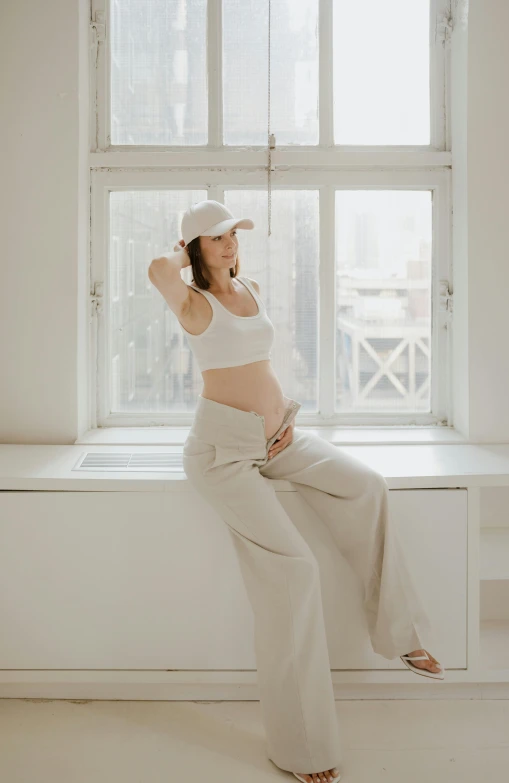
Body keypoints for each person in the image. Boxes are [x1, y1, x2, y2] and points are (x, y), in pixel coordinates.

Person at [148, 200, 444, 783]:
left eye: (234, 234)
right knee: (294, 572)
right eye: (217, 238)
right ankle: (302, 746)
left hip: (281, 436)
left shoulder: (250, 287)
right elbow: (158, 270)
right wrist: (181, 250)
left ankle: (399, 635)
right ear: (194, 249)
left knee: (366, 485)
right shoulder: (192, 302)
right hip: (222, 454)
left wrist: (278, 419)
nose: (231, 244)